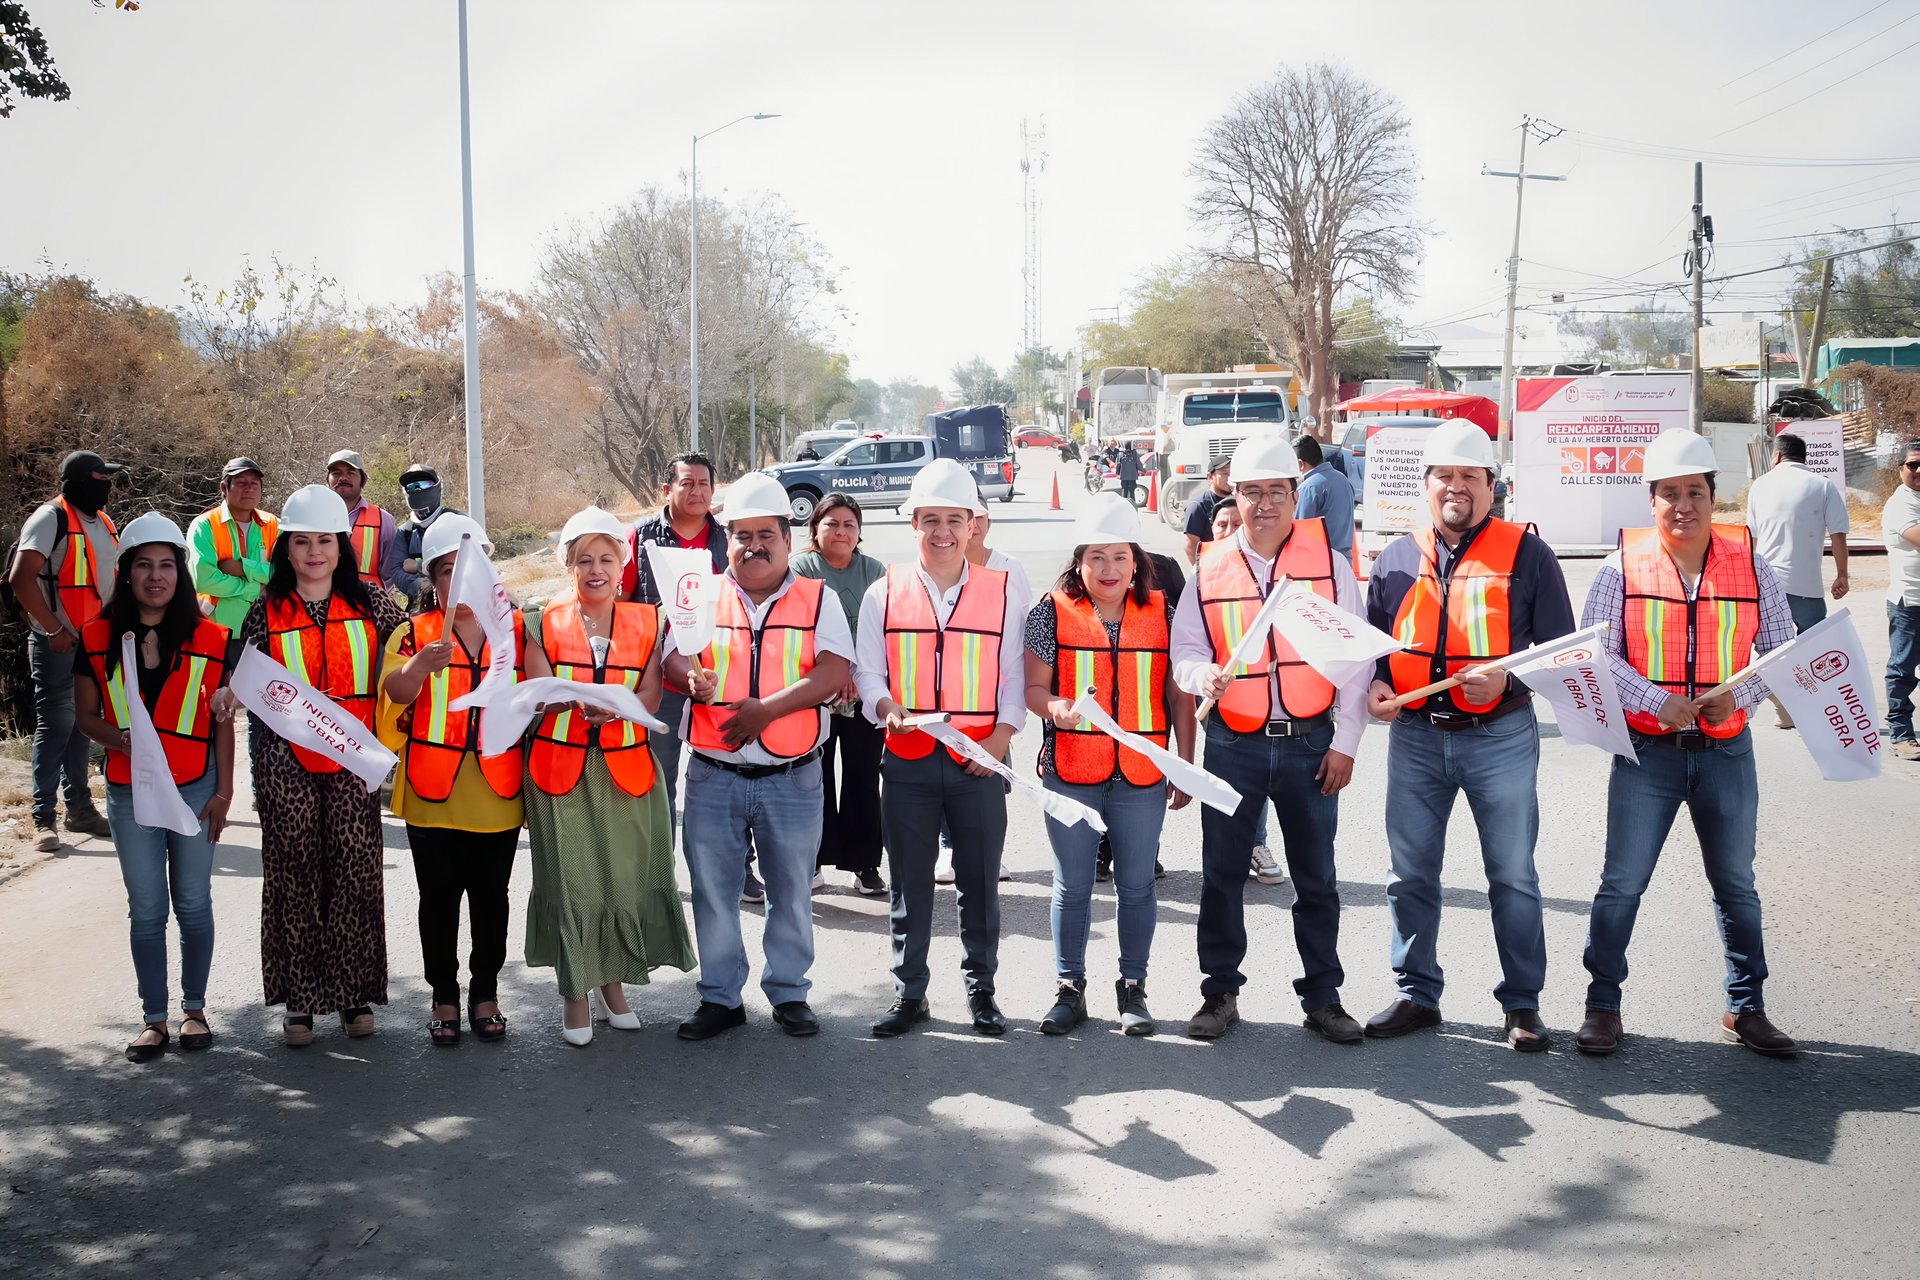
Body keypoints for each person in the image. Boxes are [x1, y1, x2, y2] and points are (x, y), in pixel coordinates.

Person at [1575, 429, 1800, 1058]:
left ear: (1713, 496)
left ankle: (1746, 1008)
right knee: (1622, 883)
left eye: (1695, 492)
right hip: (1648, 754)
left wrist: (1745, 694)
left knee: (1736, 885)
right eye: (1669, 493)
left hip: (1726, 750)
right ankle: (1602, 1005)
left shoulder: (1752, 565)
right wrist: (1653, 700)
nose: (1683, 505)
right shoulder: (1620, 568)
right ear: (1651, 500)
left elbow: (1780, 650)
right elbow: (1595, 656)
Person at [1362, 422, 1576, 1052]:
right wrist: (1376, 686)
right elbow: (1372, 648)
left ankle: (1522, 1006)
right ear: (1425, 485)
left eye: (1470, 477)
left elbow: (1560, 653)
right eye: (1445, 476)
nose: (1457, 488)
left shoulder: (1529, 555)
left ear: (1492, 485)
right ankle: (1416, 993)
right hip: (1417, 739)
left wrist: (1510, 686)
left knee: (1512, 875)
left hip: (1499, 736)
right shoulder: (1397, 556)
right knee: (1410, 875)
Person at [1172, 435, 1368, 1043]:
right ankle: (1220, 993)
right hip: (1235, 743)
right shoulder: (1208, 568)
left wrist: (1348, 743)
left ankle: (1323, 997)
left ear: (1295, 495)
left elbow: (1356, 661)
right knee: (1223, 873)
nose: (1263, 504)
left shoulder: (1330, 565)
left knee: (1317, 879)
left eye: (1276, 492)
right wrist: (1201, 673)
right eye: (1251, 492)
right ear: (1235, 494)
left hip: (1312, 745)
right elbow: (1185, 652)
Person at [667, 473, 853, 1041]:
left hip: (792, 774)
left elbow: (835, 671)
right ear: (727, 539)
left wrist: (765, 711)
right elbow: (671, 658)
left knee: (791, 889)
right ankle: (720, 997)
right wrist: (689, 677)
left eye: (765, 534)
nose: (754, 545)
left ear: (788, 539)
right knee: (714, 890)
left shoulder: (817, 597)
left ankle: (790, 993)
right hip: (713, 774)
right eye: (742, 534)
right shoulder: (698, 595)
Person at [856, 459, 1030, 1038]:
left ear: (973, 524)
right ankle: (910, 993)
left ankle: (982, 991)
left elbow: (1012, 676)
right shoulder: (884, 592)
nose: (942, 532)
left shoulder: (1004, 589)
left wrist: (999, 744)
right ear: (913, 524)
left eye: (954, 520)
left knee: (978, 880)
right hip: (907, 760)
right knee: (908, 880)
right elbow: (869, 676)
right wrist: (887, 710)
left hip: (979, 761)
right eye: (930, 519)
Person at [230, 484, 407, 1046]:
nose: (313, 553)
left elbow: (409, 656)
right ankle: (301, 1003)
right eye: (301, 542)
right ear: (286, 548)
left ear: (341, 546)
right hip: (286, 766)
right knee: (297, 875)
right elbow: (244, 685)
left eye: (324, 542)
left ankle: (354, 996)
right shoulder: (264, 612)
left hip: (353, 764)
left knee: (355, 874)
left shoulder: (374, 605)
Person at [523, 507, 695, 1046]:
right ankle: (575, 992)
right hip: (560, 770)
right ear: (567, 565)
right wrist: (574, 703)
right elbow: (536, 689)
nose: (596, 569)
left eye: (606, 558)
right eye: (583, 560)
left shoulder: (649, 621)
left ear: (623, 564)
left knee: (619, 882)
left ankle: (612, 986)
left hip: (627, 768)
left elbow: (651, 693)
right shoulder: (538, 619)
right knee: (573, 885)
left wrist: (618, 710)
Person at [1025, 494, 1195, 1037]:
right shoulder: (1049, 612)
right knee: (1072, 885)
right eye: (1097, 557)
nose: (1108, 569)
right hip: (1071, 769)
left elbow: (1179, 700)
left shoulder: (1163, 612)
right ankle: (1069, 990)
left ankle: (1133, 989)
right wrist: (1057, 709)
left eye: (1119, 557)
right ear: (1079, 561)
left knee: (1138, 885)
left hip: (1142, 775)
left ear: (1137, 562)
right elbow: (1033, 688)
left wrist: (1184, 764)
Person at [72, 513, 235, 1064]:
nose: (156, 576)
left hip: (195, 786)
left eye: (167, 565)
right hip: (129, 791)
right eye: (144, 565)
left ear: (181, 576)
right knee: (147, 909)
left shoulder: (213, 637)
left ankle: (194, 1010)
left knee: (192, 902)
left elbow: (221, 721)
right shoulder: (96, 636)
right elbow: (86, 715)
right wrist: (125, 742)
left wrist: (225, 793)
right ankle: (155, 1019)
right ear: (127, 573)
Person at [377, 514, 523, 1047]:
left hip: (498, 790)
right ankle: (443, 994)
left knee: (492, 898)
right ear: (431, 582)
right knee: (437, 900)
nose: (458, 584)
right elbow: (393, 693)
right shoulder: (411, 632)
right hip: (430, 792)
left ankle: (485, 990)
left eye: (470, 572)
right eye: (445, 573)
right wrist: (419, 667)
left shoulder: (515, 631)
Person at [8, 450, 124, 852]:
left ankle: (80, 810)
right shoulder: (49, 517)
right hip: (56, 642)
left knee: (81, 726)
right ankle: (43, 818)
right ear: (76, 480)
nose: (105, 486)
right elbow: (20, 579)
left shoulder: (104, 522)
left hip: (92, 645)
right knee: (56, 726)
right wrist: (54, 628)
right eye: (99, 478)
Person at [621, 453, 731, 870]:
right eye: (687, 483)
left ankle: (736, 870)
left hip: (717, 681)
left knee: (725, 782)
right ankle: (657, 874)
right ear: (667, 490)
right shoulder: (640, 538)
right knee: (658, 782)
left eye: (704, 484)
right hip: (658, 685)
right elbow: (622, 607)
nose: (697, 491)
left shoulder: (727, 541)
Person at [791, 493, 888, 896]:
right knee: (815, 778)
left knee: (863, 777)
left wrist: (854, 671)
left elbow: (881, 630)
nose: (841, 532)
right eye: (832, 524)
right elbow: (797, 628)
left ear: (859, 531)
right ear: (815, 529)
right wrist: (833, 672)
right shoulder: (801, 570)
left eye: (849, 524)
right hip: (814, 688)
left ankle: (864, 864)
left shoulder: (875, 571)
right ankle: (813, 861)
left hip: (863, 688)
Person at [1745, 433, 1849, 728]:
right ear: (1804, 458)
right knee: (1815, 652)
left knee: (1771, 651)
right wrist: (1842, 575)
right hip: (1807, 587)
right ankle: (1814, 711)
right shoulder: (1822, 485)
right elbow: (1838, 534)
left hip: (1766, 585)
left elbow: (1750, 539)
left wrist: (1746, 579)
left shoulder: (1759, 485)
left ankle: (1781, 699)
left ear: (1776, 456)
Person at [188, 457, 279, 631]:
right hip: (215, 629)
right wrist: (254, 588)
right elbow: (204, 580)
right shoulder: (205, 525)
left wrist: (241, 568)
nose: (249, 489)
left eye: (254, 483)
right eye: (241, 483)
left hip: (265, 628)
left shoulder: (273, 524)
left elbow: (286, 572)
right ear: (224, 487)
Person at [1883, 440, 1920, 762]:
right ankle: (1901, 734)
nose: (1919, 470)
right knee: (1903, 670)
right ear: (1900, 469)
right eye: (1913, 465)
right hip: (1910, 603)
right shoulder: (1901, 504)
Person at [325, 448, 403, 593]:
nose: (343, 478)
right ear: (328, 480)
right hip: (321, 609)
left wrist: (376, 600)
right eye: (336, 473)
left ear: (362, 480)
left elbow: (390, 572)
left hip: (367, 609)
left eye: (350, 472)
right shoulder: (313, 516)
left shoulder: (383, 520)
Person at [393, 463, 465, 610]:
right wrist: (421, 586)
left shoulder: (459, 522)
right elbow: (397, 572)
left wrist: (418, 566)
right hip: (422, 610)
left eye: (425, 484)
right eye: (412, 486)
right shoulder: (404, 532)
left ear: (437, 487)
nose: (418, 489)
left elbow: (470, 564)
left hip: (461, 605)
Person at [1294, 436, 1356, 560]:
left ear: (1301, 464)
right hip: (1344, 561)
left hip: (1320, 563)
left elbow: (1300, 533)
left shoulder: (1308, 488)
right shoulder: (1343, 479)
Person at [1183, 455, 1236, 566]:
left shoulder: (1239, 502)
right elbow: (1190, 546)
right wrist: (1201, 573)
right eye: (1225, 473)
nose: (1230, 477)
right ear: (1210, 477)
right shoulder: (1197, 507)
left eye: (1232, 473)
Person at [1116, 441, 1142, 506]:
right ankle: (1132, 506)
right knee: (1132, 492)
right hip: (1132, 476)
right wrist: (1143, 470)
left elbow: (1118, 465)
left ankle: (1123, 506)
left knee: (1124, 491)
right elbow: (1138, 464)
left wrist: (1118, 473)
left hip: (1123, 476)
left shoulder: (1120, 454)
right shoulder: (1134, 454)